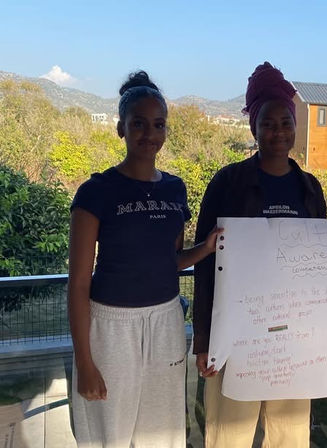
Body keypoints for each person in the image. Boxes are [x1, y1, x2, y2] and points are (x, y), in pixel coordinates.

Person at [68, 70, 221, 448]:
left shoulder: (174, 188)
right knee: (110, 433)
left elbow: (170, 261)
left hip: (165, 321)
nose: (149, 133)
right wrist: (85, 362)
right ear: (120, 127)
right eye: (138, 123)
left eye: (158, 124)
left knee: (162, 432)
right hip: (111, 326)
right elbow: (79, 283)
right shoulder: (96, 191)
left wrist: (205, 249)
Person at [193, 62, 327, 448]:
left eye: (285, 122)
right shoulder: (227, 182)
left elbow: (321, 265)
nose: (278, 132)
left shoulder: (310, 188)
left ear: (295, 126)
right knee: (228, 434)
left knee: (290, 436)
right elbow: (206, 264)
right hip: (235, 333)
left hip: (292, 335)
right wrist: (204, 339)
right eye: (267, 123)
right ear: (253, 127)